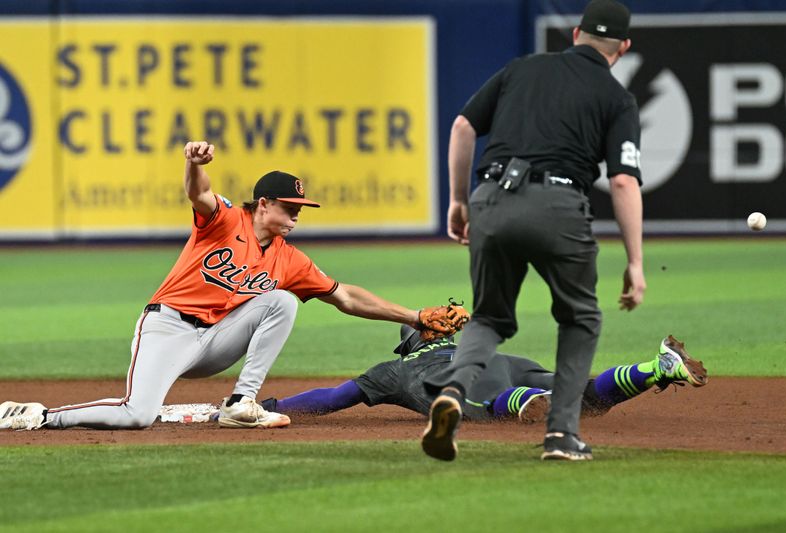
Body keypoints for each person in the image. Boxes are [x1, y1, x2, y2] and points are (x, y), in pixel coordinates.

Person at [0, 141, 455, 432]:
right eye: (290, 206)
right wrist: (193, 164)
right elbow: (199, 194)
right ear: (263, 204)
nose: (298, 214)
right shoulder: (225, 221)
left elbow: (346, 296)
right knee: (136, 415)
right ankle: (39, 415)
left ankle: (242, 401)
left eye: (301, 207)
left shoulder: (288, 258)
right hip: (168, 329)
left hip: (215, 340)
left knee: (281, 300)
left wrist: (414, 317)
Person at [422, 0, 646, 461]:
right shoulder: (616, 97)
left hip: (492, 198)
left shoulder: (521, 69)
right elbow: (622, 180)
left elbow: (463, 126)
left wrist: (460, 201)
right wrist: (636, 262)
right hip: (560, 205)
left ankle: (452, 394)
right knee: (580, 318)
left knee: (488, 317)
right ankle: (562, 435)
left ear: (576, 33)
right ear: (622, 47)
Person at [260, 327, 707, 432]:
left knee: (478, 401)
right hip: (501, 358)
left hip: (462, 379)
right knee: (583, 396)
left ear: (410, 342)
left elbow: (334, 397)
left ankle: (523, 401)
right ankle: (654, 368)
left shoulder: (395, 368)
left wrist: (275, 407)